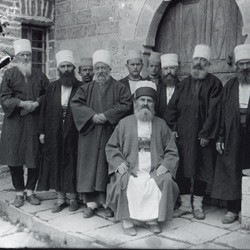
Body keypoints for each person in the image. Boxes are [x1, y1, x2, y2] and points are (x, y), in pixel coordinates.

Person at [105, 80, 179, 236]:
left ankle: (152, 220)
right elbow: (111, 147)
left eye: (149, 101)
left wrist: (166, 165)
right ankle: (127, 220)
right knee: (126, 181)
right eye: (142, 100)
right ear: (135, 102)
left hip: (154, 168)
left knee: (165, 180)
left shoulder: (161, 124)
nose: (145, 104)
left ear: (153, 104)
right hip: (131, 167)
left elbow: (172, 150)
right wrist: (119, 163)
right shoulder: (124, 123)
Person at [71, 49, 132, 218]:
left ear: (109, 69)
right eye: (97, 68)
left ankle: (109, 204)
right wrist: (92, 116)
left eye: (103, 68)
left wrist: (107, 116)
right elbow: (76, 104)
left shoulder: (120, 87)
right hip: (89, 134)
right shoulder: (85, 88)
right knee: (89, 168)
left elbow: (126, 104)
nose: (100, 72)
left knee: (107, 168)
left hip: (110, 134)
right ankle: (90, 204)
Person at [165, 44, 223, 220]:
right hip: (183, 136)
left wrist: (206, 133)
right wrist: (173, 128)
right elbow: (172, 108)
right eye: (196, 59)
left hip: (202, 137)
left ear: (208, 64)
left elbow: (215, 111)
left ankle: (197, 206)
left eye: (202, 60)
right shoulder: (183, 84)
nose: (198, 63)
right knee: (182, 169)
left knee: (201, 169)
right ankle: (185, 206)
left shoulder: (215, 84)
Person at [0, 39, 49, 208]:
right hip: (15, 122)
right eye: (22, 55)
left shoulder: (40, 75)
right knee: (15, 158)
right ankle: (19, 193)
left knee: (34, 156)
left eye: (28, 55)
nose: (26, 57)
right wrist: (22, 104)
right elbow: (4, 98)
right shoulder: (9, 74)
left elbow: (48, 95)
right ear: (17, 57)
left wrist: (37, 103)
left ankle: (30, 191)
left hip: (34, 122)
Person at [37, 50, 82, 213]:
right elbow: (44, 110)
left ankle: (73, 199)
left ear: (74, 68)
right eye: (63, 66)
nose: (66, 69)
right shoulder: (52, 87)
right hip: (53, 131)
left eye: (69, 66)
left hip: (74, 132)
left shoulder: (81, 87)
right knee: (56, 161)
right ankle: (60, 199)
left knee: (71, 162)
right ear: (58, 69)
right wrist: (42, 132)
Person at [211, 44, 250, 224]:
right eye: (241, 64)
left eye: (248, 63)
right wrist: (220, 137)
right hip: (232, 133)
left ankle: (247, 209)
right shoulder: (230, 85)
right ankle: (232, 210)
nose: (244, 67)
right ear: (236, 66)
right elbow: (221, 113)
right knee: (232, 169)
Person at [157, 53, 180, 118]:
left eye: (172, 68)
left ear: (177, 70)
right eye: (166, 69)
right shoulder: (158, 89)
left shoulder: (183, 89)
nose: (169, 71)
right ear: (162, 71)